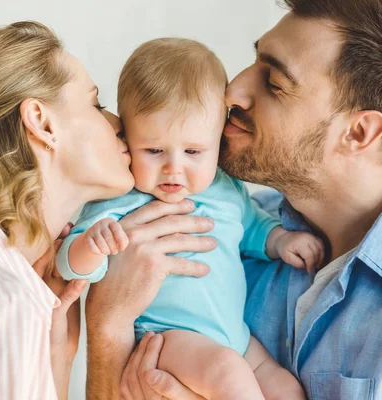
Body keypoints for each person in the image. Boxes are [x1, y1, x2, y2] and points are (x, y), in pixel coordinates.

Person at [85, 0, 382, 399]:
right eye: (255, 61)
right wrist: (107, 331)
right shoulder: (229, 223)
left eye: (275, 83)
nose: (233, 91)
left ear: (358, 133)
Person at [0, 21, 215, 400]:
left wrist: (57, 362)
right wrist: (109, 326)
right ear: (43, 123)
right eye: (97, 104)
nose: (118, 124)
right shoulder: (2, 306)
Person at [59, 38, 322, 399]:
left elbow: (252, 227)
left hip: (237, 338)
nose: (174, 168)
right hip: (167, 340)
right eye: (153, 150)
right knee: (230, 375)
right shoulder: (120, 199)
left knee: (286, 388)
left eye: (194, 152)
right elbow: (69, 265)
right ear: (126, 139)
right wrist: (90, 246)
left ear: (218, 141)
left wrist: (281, 240)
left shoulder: (226, 189)